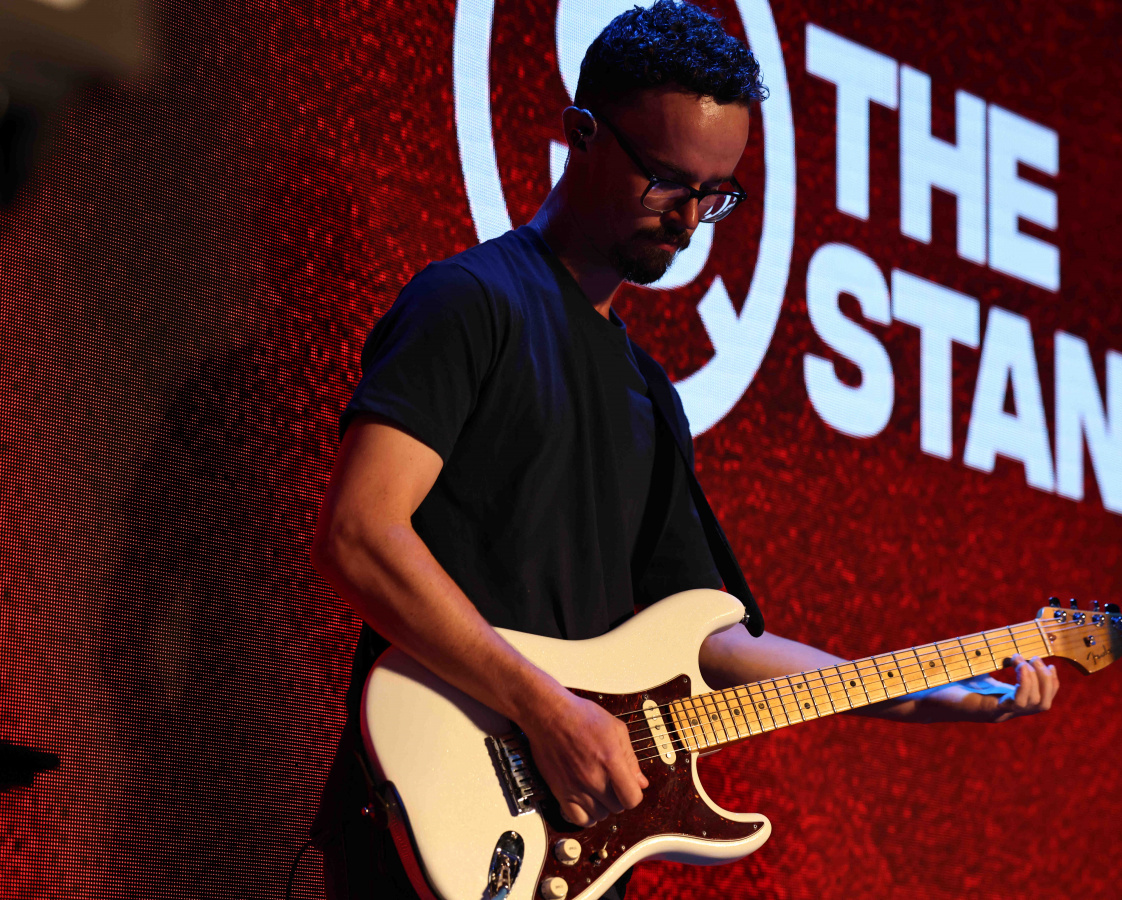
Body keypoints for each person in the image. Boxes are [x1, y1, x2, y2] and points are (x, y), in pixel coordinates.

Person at [306, 3, 1061, 898]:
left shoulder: (648, 394)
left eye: (716, 193)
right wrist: (547, 711)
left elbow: (710, 639)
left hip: (567, 838)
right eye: (667, 180)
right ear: (580, 134)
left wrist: (925, 693)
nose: (691, 219)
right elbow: (359, 536)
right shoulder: (468, 303)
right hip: (437, 805)